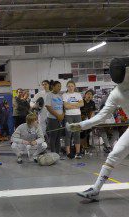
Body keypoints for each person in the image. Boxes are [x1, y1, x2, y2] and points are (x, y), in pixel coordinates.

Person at [68, 57, 129, 199]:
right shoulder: (116, 94)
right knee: (114, 155)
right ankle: (95, 189)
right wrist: (81, 125)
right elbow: (101, 116)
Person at [62, 80, 83, 159]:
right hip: (69, 115)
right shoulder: (65, 95)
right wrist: (76, 105)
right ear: (67, 87)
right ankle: (68, 152)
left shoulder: (78, 94)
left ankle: (78, 152)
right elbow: (66, 106)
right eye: (69, 86)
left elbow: (82, 104)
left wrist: (70, 104)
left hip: (77, 115)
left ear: (74, 87)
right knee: (68, 134)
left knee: (77, 134)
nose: (70, 87)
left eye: (72, 86)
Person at [45, 81, 64, 154]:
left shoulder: (60, 96)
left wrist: (62, 115)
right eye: (58, 86)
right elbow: (48, 107)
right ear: (53, 86)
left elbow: (63, 107)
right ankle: (52, 153)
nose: (59, 88)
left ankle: (57, 154)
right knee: (53, 137)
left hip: (60, 119)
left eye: (60, 86)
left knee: (58, 137)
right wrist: (57, 115)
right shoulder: (49, 95)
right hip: (52, 119)